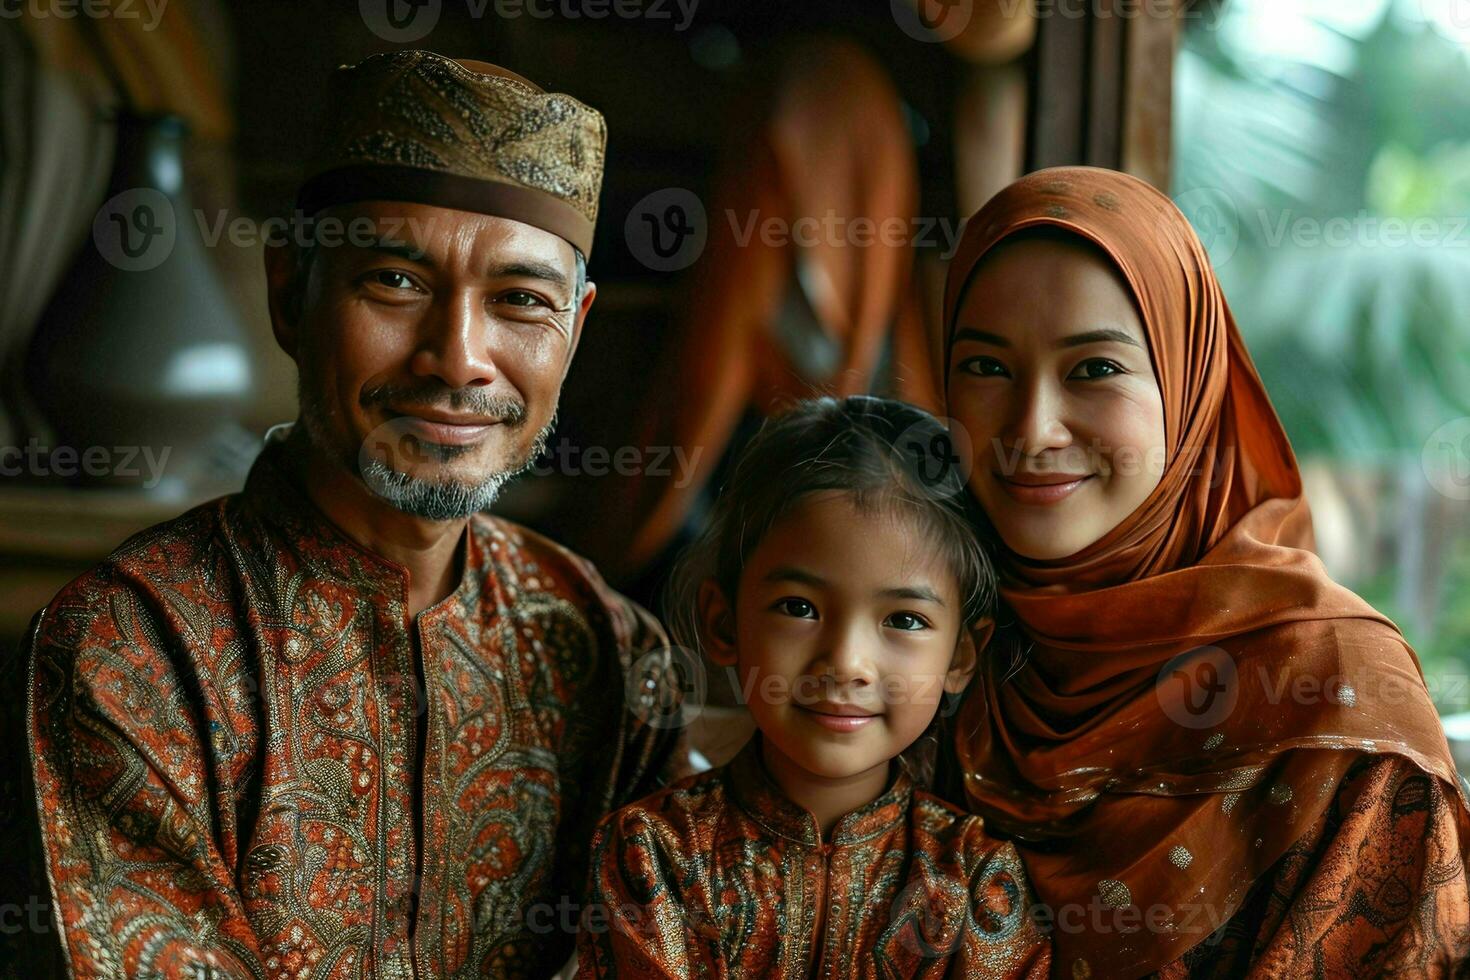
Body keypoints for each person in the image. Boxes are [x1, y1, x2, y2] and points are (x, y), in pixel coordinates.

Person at [20, 50, 685, 978]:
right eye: (396, 282)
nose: (458, 359)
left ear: (575, 328)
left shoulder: (607, 655)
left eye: (520, 302)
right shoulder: (135, 652)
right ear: (291, 290)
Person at [940, 166, 1470, 977]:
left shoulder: (1331, 689)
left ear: (1190, 387)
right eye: (984, 366)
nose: (1032, 426)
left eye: (1094, 370)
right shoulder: (925, 629)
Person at [576, 396, 1052, 978]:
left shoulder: (976, 883)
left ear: (959, 656)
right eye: (799, 607)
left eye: (903, 619)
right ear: (725, 625)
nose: (846, 662)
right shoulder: (655, 855)